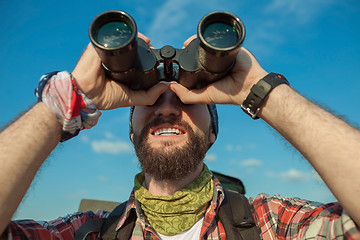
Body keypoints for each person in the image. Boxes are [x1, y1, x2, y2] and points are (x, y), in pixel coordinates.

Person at [0, 33, 360, 240]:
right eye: (152, 98)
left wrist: (260, 90)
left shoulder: (270, 222)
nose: (168, 109)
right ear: (131, 131)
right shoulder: (89, 233)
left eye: (187, 100)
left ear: (213, 132)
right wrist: (68, 100)